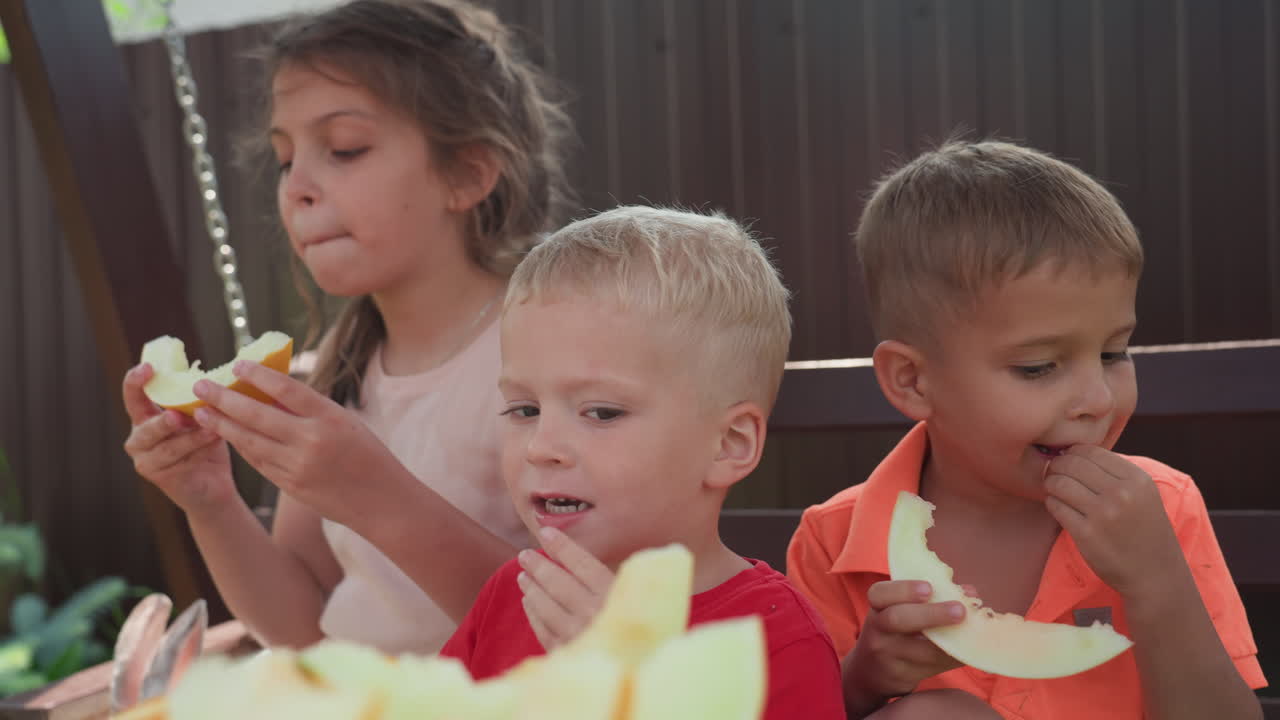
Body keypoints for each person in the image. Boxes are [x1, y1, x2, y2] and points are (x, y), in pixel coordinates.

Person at [121, 0, 573, 655]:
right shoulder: (347, 355)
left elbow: (575, 635)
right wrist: (210, 501)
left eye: (344, 149)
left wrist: (376, 496)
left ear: (468, 173)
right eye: (284, 159)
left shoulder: (551, 346)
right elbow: (301, 626)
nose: (296, 186)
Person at [787, 139, 1266, 719]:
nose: (1097, 399)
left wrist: (1156, 580)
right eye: (1038, 367)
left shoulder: (1162, 510)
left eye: (1115, 353)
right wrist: (863, 678)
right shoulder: (834, 541)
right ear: (914, 381)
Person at [438, 205, 846, 719]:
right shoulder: (515, 595)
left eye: (602, 412)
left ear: (728, 444)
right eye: (525, 409)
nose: (541, 446)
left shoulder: (772, 638)